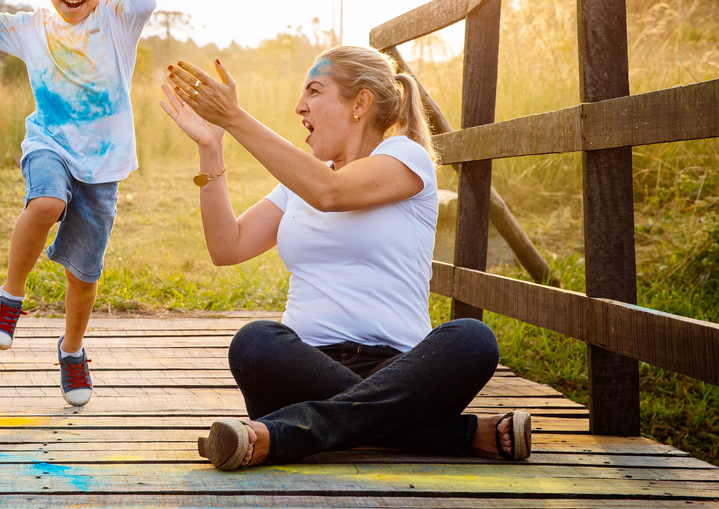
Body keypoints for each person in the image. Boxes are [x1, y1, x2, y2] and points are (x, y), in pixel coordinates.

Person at [159, 45, 532, 469]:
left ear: (360, 103)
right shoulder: (299, 183)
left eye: (315, 91)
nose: (300, 106)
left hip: (402, 370)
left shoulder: (405, 158)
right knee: (255, 342)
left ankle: (280, 434)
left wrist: (235, 117)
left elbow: (331, 193)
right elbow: (227, 246)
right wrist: (211, 145)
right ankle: (452, 433)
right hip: (304, 369)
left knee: (472, 339)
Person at [0, 0, 156, 406]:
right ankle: (9, 297)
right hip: (49, 143)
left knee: (83, 275)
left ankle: (71, 350)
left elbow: (145, 1)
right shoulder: (31, 28)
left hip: (103, 164)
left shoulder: (117, 19)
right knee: (45, 203)